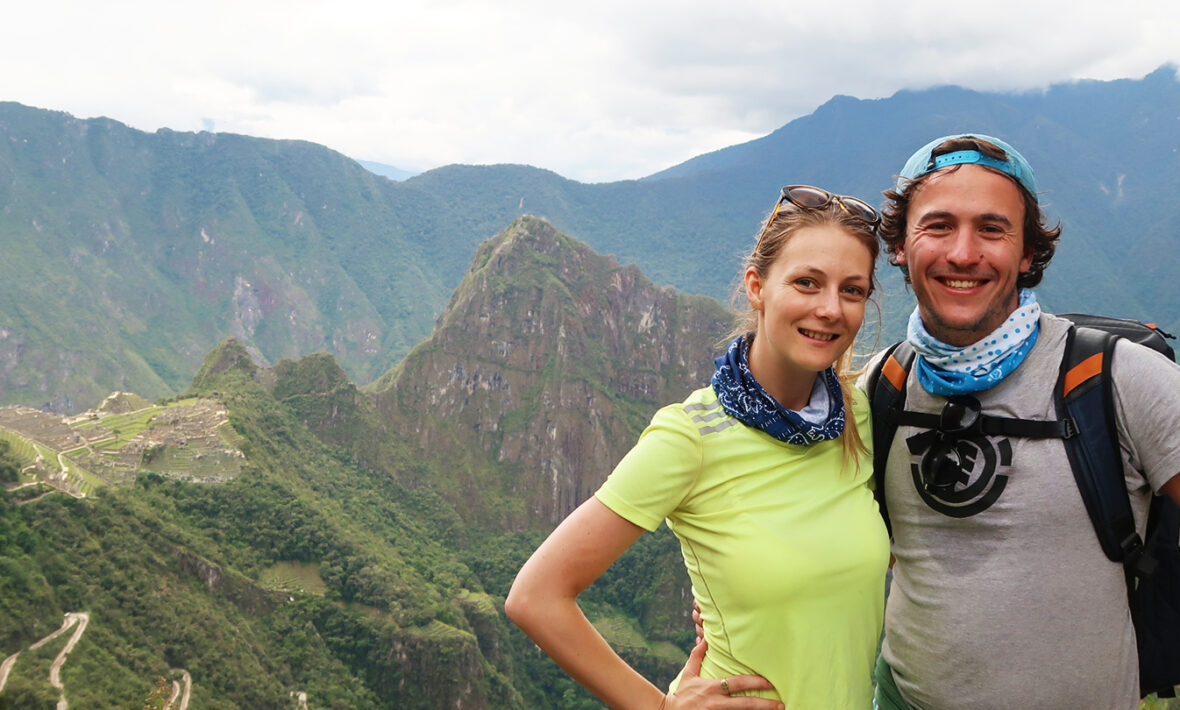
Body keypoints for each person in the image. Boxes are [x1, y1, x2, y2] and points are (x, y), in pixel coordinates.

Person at [506, 185, 890, 709]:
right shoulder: (690, 436)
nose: (830, 309)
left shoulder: (856, 417)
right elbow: (535, 596)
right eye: (806, 282)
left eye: (852, 290)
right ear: (756, 286)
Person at [866, 134, 1180, 709]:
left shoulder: (1117, 380)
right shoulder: (882, 387)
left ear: (1028, 253)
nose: (963, 253)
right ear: (901, 248)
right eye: (937, 226)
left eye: (992, 229)